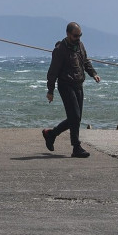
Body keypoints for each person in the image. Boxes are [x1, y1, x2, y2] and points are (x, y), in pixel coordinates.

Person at [43, 21, 101, 158]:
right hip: (65, 85)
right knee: (74, 116)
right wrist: (50, 91)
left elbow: (85, 61)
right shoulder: (60, 50)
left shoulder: (80, 45)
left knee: (76, 118)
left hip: (78, 84)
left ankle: (51, 134)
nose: (78, 38)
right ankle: (76, 147)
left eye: (80, 35)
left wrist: (93, 74)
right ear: (68, 34)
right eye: (75, 36)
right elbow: (53, 72)